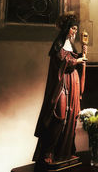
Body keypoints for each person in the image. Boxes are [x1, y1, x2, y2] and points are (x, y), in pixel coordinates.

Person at [32, 12, 87, 165]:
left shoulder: (71, 46)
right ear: (66, 29)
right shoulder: (58, 44)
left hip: (73, 82)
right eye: (73, 28)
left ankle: (66, 151)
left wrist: (81, 58)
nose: (75, 31)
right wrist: (76, 61)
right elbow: (62, 61)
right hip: (61, 84)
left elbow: (74, 60)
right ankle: (49, 151)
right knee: (59, 115)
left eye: (76, 29)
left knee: (72, 116)